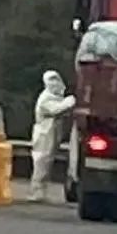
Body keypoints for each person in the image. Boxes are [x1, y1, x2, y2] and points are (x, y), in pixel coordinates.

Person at [28, 70, 76, 202]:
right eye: (51, 80)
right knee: (41, 162)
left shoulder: (56, 97)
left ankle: (41, 192)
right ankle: (35, 192)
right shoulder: (46, 98)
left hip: (51, 134)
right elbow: (56, 109)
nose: (55, 83)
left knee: (47, 163)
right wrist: (70, 101)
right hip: (44, 135)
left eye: (56, 79)